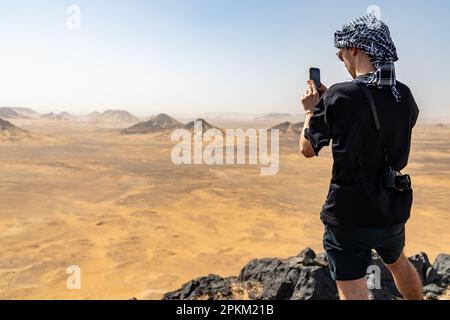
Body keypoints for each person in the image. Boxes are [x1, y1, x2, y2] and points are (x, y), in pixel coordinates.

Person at [299, 14, 422, 300]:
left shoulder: (340, 96)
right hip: (390, 208)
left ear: (354, 48)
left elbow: (307, 148)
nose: (340, 58)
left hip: (348, 214)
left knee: (352, 288)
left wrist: (310, 111)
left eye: (340, 51)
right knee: (399, 264)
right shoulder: (403, 93)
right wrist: (334, 104)